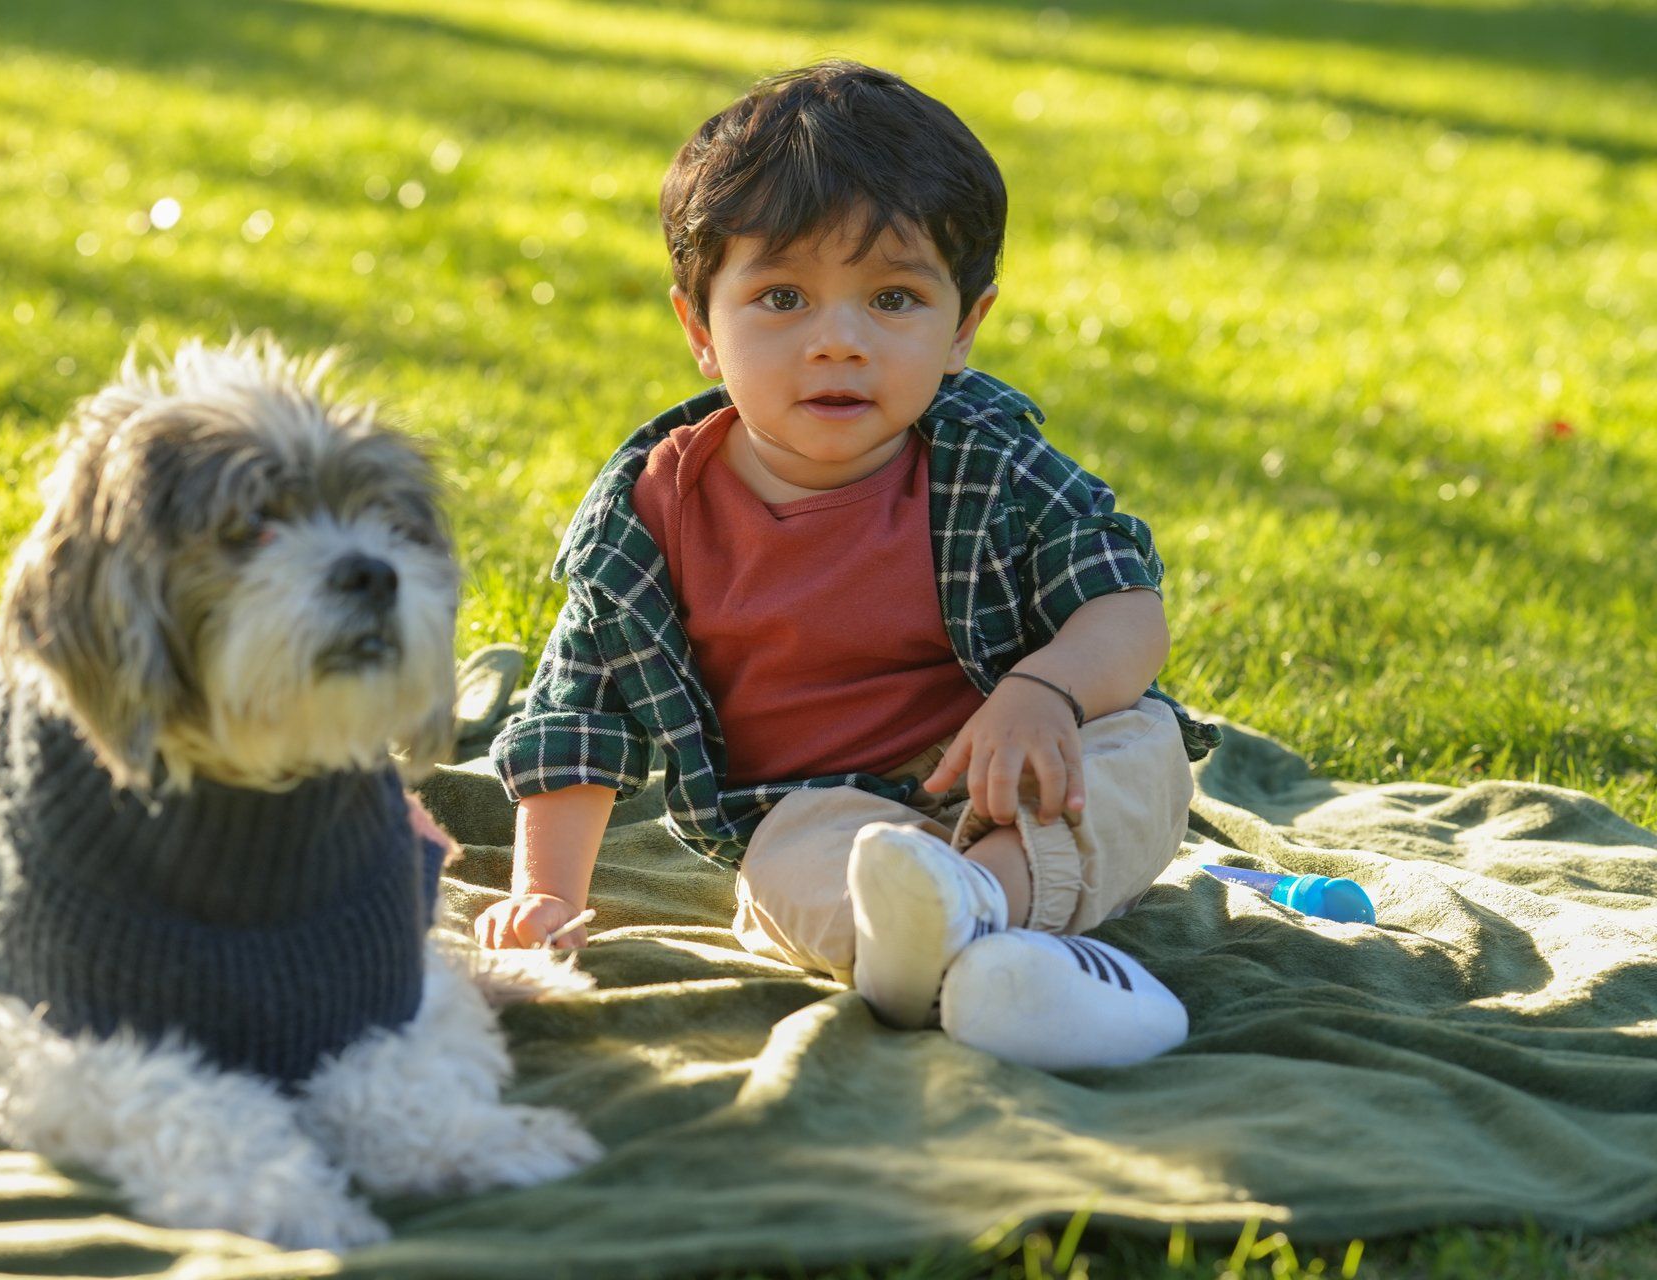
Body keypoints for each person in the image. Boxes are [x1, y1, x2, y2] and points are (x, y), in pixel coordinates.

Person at [476, 61, 1220, 1069]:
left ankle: (979, 908)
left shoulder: (990, 462)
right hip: (819, 818)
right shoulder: (650, 513)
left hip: (1008, 776)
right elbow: (577, 716)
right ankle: (998, 975)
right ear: (701, 328)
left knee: (1143, 748)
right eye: (782, 296)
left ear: (964, 328)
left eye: (894, 298)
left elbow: (1125, 605)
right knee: (787, 868)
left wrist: (1043, 691)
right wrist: (549, 896)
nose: (838, 341)